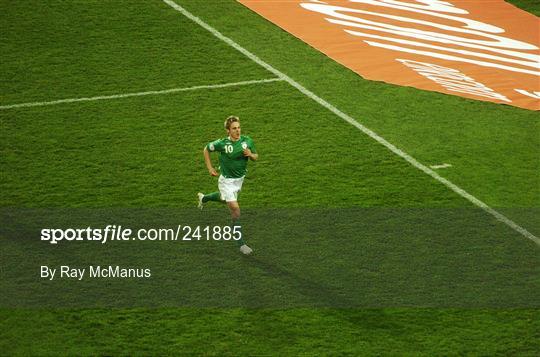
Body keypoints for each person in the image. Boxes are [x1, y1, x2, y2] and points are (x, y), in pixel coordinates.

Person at [198, 115, 258, 255]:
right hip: (226, 181)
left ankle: (204, 198)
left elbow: (256, 156)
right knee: (236, 210)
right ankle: (241, 244)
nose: (238, 131)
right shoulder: (222, 144)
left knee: (224, 199)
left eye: (239, 128)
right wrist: (210, 168)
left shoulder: (247, 141)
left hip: (239, 181)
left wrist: (250, 154)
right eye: (234, 129)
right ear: (228, 131)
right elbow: (206, 149)